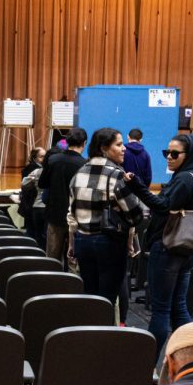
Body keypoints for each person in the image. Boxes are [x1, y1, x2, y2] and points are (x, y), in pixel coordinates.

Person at [122, 133, 193, 353]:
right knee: (178, 308)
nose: (168, 157)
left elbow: (163, 205)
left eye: (174, 153)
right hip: (188, 248)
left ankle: (148, 365)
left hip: (169, 247)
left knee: (161, 310)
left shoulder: (183, 179)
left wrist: (138, 187)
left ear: (188, 155)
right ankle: (191, 357)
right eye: (166, 153)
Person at [67, 127, 143, 308]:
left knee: (90, 297)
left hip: (82, 242)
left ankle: (90, 333)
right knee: (107, 300)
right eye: (118, 144)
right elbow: (135, 215)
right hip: (109, 243)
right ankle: (105, 333)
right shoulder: (117, 175)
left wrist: (72, 243)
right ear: (103, 148)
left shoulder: (78, 174)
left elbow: (71, 215)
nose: (124, 148)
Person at [39, 127, 88, 268]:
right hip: (76, 217)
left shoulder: (53, 159)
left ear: (67, 142)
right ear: (84, 143)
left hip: (54, 214)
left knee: (52, 258)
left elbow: (42, 183)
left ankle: (52, 286)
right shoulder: (85, 165)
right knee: (73, 259)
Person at [18, 147, 47, 247]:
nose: (44, 159)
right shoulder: (32, 169)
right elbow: (26, 189)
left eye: (45, 156)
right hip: (31, 205)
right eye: (41, 157)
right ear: (34, 158)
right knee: (33, 235)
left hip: (32, 206)